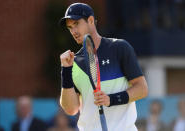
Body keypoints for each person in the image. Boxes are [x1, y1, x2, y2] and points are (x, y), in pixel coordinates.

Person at [59, 3, 148, 131]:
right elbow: (71, 109)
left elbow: (142, 89)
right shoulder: (73, 63)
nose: (73, 31)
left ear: (90, 20)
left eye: (76, 24)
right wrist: (66, 70)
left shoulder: (119, 48)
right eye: (70, 27)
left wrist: (111, 100)